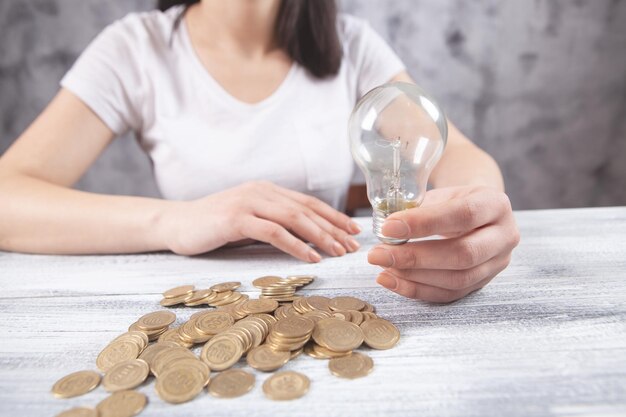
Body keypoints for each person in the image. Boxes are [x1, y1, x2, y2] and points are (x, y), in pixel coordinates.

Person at [0, 0, 519, 303]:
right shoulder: (135, 49)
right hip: (198, 304)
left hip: (351, 293)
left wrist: (476, 213)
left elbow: (459, 159)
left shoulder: (351, 45)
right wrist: (175, 222)